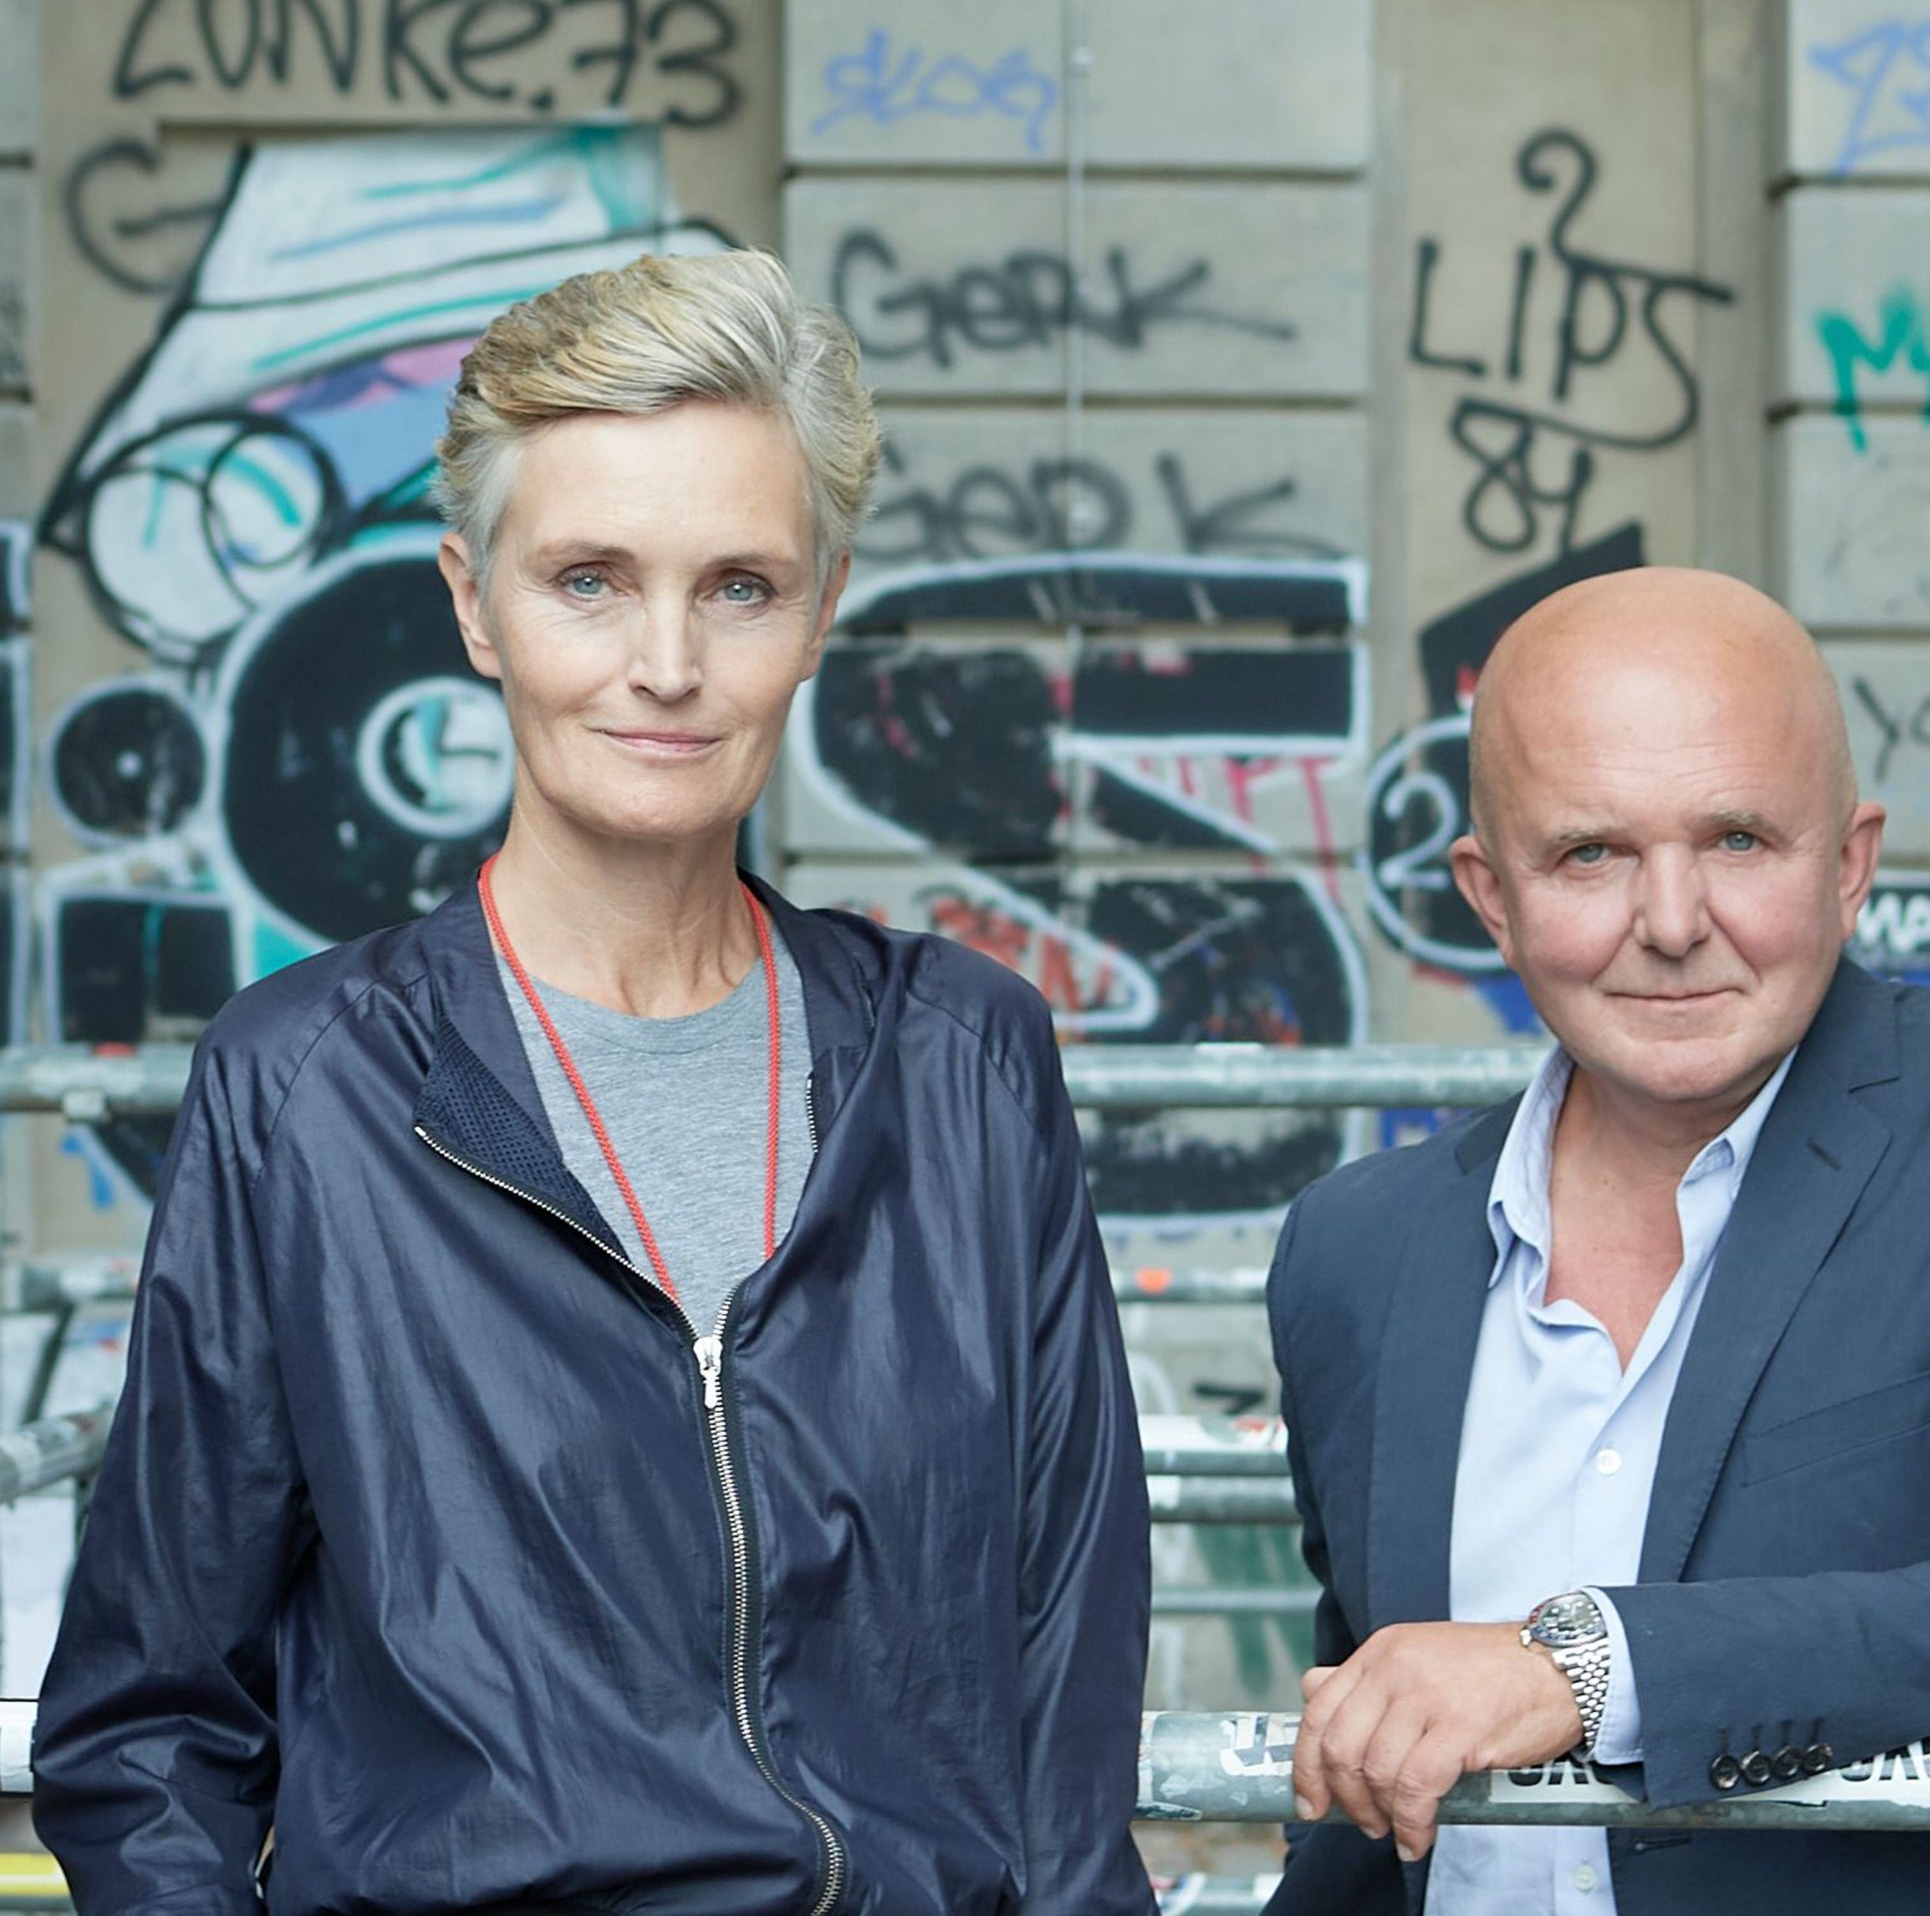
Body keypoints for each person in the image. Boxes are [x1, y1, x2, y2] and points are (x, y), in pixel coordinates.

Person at [35, 250, 1155, 1916]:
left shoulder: (967, 1058)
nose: (666, 664)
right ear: (473, 602)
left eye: (739, 587)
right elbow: (148, 1730)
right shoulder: (307, 1090)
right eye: (587, 580)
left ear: (821, 608)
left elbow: (1063, 1680)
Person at [1265, 567, 1930, 1914]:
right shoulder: (1356, 1249)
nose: (1669, 924)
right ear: (1490, 894)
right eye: (1590, 854)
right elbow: (1380, 1753)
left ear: (1849, 864)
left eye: (1737, 843)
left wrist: (1584, 1666)